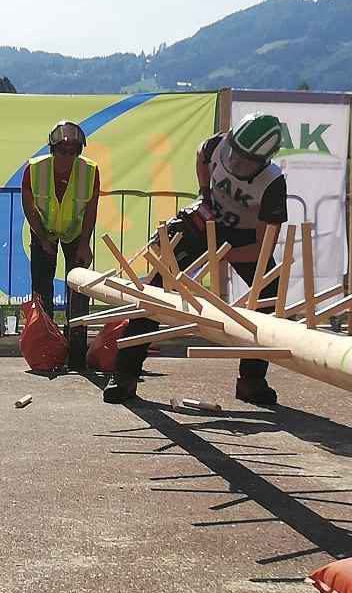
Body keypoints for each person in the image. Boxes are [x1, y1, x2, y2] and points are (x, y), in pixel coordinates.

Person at [103, 111, 287, 407]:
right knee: (156, 289)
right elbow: (201, 154)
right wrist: (204, 194)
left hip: (244, 238)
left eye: (245, 162)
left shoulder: (273, 184)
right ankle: (125, 374)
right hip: (206, 221)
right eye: (235, 155)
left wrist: (221, 256)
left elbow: (262, 246)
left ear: (263, 160)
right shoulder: (219, 145)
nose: (236, 163)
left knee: (269, 295)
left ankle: (252, 380)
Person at [21, 120, 100, 370]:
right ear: (52, 150)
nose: (68, 156)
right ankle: (46, 354)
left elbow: (90, 209)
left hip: (77, 232)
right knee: (42, 290)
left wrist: (85, 244)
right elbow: (28, 205)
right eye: (63, 151)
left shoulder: (89, 171)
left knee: (78, 291)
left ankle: (76, 356)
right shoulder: (35, 169)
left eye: (73, 151)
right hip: (43, 229)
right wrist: (43, 238)